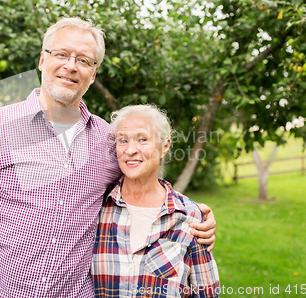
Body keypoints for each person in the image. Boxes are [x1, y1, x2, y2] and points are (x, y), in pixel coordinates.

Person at [0, 17, 216, 298]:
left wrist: (190, 215)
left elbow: (139, 184)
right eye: (62, 54)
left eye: (84, 60)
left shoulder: (108, 139)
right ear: (43, 60)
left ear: (93, 75)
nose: (70, 66)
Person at [92, 105, 220, 297]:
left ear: (165, 146)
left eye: (143, 139)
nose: (131, 150)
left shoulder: (189, 217)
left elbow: (207, 293)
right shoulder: (96, 208)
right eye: (123, 140)